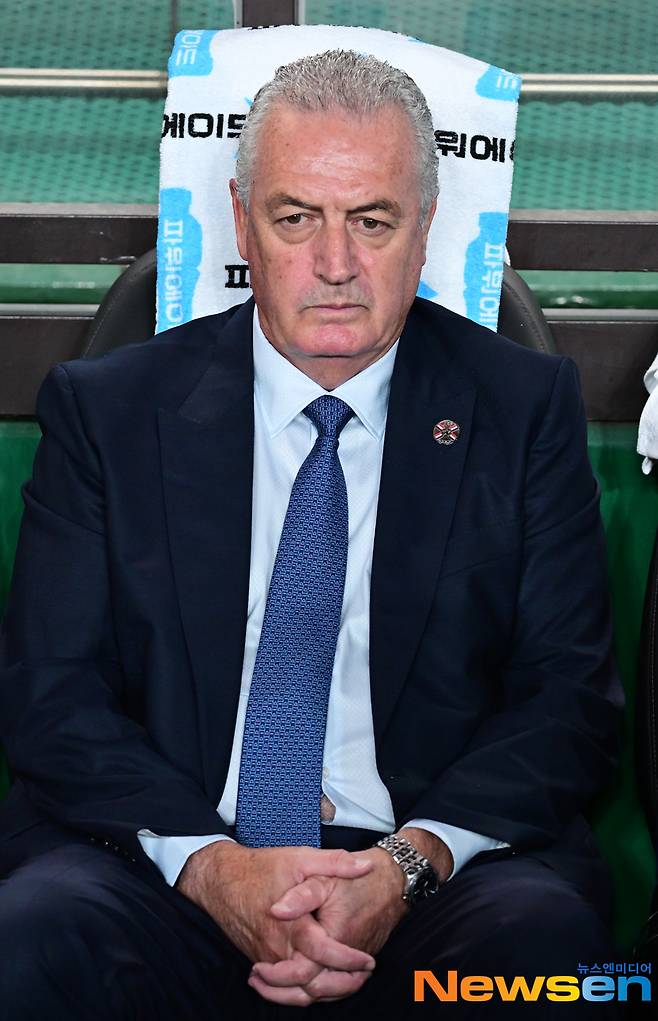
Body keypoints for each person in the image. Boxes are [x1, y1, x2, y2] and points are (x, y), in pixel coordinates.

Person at [0, 50, 624, 1018]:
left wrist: (404, 866)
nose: (335, 264)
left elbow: (567, 699)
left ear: (425, 228)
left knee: (545, 950)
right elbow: (53, 696)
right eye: (296, 219)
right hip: (171, 864)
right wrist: (215, 869)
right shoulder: (109, 412)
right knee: (36, 930)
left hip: (431, 877)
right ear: (243, 221)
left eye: (372, 221)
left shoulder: (520, 407)